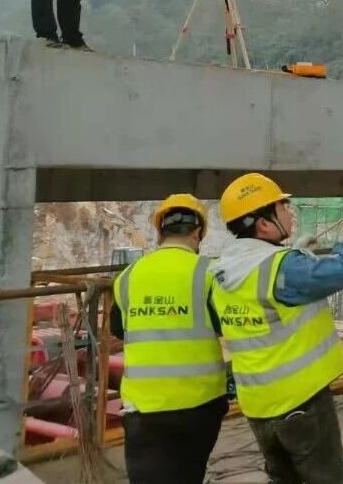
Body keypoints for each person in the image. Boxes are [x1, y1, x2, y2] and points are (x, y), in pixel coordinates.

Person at [211, 173, 343, 484]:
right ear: (263, 224)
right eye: (282, 206)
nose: (290, 211)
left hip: (258, 405)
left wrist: (295, 254)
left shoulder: (224, 269)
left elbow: (269, 293)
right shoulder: (281, 267)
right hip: (300, 402)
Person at [111, 194, 227, 484]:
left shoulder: (128, 276)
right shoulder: (208, 272)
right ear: (198, 233)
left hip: (142, 407)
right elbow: (224, 324)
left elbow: (119, 329)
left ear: (160, 232)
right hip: (198, 404)